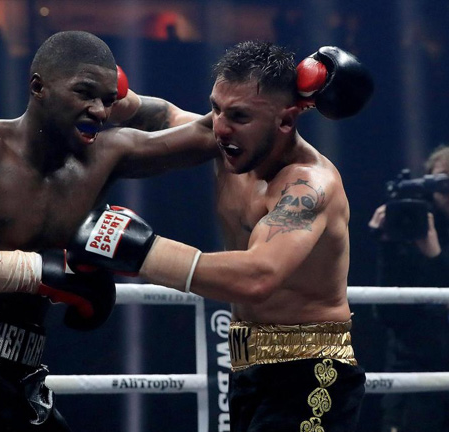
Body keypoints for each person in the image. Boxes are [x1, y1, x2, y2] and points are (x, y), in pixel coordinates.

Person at [0, 30, 218, 432]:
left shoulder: (106, 155)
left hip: (22, 372)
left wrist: (287, 97)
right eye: (84, 93)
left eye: (108, 100)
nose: (100, 111)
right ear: (38, 86)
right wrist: (40, 273)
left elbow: (215, 132)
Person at [66, 41, 373, 432]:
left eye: (239, 115)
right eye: (216, 108)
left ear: (285, 121)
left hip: (312, 371)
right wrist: (109, 94)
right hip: (246, 371)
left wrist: (139, 249)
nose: (219, 127)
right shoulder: (231, 144)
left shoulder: (309, 185)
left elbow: (259, 275)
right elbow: (162, 116)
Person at [368, 143, 449, 432]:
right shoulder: (409, 226)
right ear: (427, 186)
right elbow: (386, 314)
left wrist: (437, 258)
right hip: (413, 374)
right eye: (443, 183)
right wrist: (388, 246)